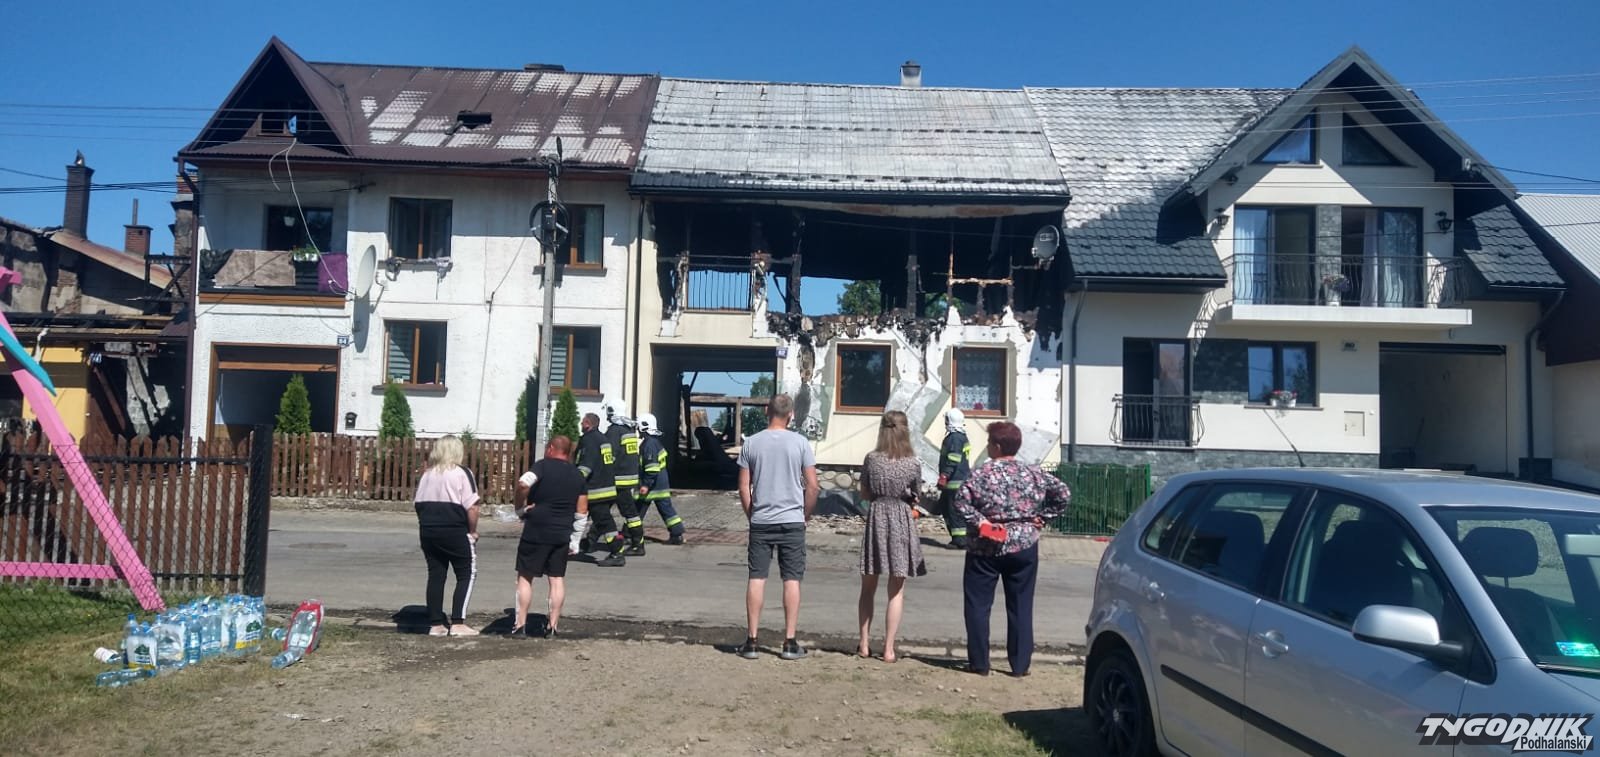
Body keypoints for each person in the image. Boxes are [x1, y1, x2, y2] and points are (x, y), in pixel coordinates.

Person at [952, 421, 1071, 677]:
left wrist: (981, 522)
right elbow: (1063, 494)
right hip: (1023, 543)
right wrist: (1044, 517)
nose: (987, 447)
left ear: (997, 446)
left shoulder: (981, 474)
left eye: (989, 442)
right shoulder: (1033, 473)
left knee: (978, 605)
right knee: (1021, 604)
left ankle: (979, 663)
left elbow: (960, 502)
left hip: (985, 546)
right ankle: (1020, 665)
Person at [735, 393, 818, 661]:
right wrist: (805, 515)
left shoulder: (751, 443)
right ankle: (789, 641)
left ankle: (752, 641)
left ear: (766, 411)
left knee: (757, 577)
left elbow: (743, 486)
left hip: (762, 519)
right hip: (792, 520)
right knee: (791, 579)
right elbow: (813, 486)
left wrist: (752, 514)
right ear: (791, 415)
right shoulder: (801, 443)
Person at [856, 411, 927, 663]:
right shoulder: (912, 462)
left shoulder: (871, 459)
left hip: (877, 516)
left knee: (868, 586)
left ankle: (864, 644)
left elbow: (864, 492)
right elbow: (917, 494)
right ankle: (888, 649)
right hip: (900, 518)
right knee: (896, 590)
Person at [511, 435, 588, 638]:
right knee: (556, 578)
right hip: (562, 532)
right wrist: (575, 540)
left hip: (536, 529)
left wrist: (519, 508)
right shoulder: (577, 475)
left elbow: (523, 484)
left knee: (525, 576)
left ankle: (520, 626)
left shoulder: (542, 466)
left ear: (551, 448)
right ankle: (552, 627)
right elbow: (582, 511)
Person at [413, 435, 481, 636]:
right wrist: (472, 531)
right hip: (454, 529)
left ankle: (436, 624)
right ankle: (458, 622)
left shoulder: (427, 475)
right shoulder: (462, 473)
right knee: (466, 573)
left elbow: (418, 504)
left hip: (428, 530)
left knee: (436, 574)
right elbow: (473, 506)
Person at [576, 412, 626, 567]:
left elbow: (586, 465)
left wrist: (574, 481)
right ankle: (583, 545)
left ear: (587, 424)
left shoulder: (589, 440)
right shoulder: (603, 439)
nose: (581, 424)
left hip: (596, 490)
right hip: (607, 487)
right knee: (601, 522)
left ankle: (617, 553)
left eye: (582, 422)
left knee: (605, 524)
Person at [604, 402, 648, 556]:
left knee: (606, 510)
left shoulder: (614, 431)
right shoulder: (628, 430)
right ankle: (590, 540)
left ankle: (638, 545)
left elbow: (610, 455)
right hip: (629, 478)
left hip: (617, 479)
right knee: (624, 512)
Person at [636, 413, 686, 544]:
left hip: (652, 486)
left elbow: (652, 467)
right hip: (660, 484)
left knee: (636, 511)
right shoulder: (654, 442)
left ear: (644, 427)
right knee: (666, 510)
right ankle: (677, 534)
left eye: (638, 427)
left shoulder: (649, 444)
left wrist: (645, 484)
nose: (637, 430)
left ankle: (629, 534)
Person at [937, 408, 973, 549]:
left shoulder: (955, 438)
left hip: (954, 482)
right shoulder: (961, 436)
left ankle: (960, 541)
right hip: (957, 481)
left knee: (953, 511)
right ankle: (958, 538)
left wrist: (944, 475)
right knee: (946, 508)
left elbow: (954, 458)